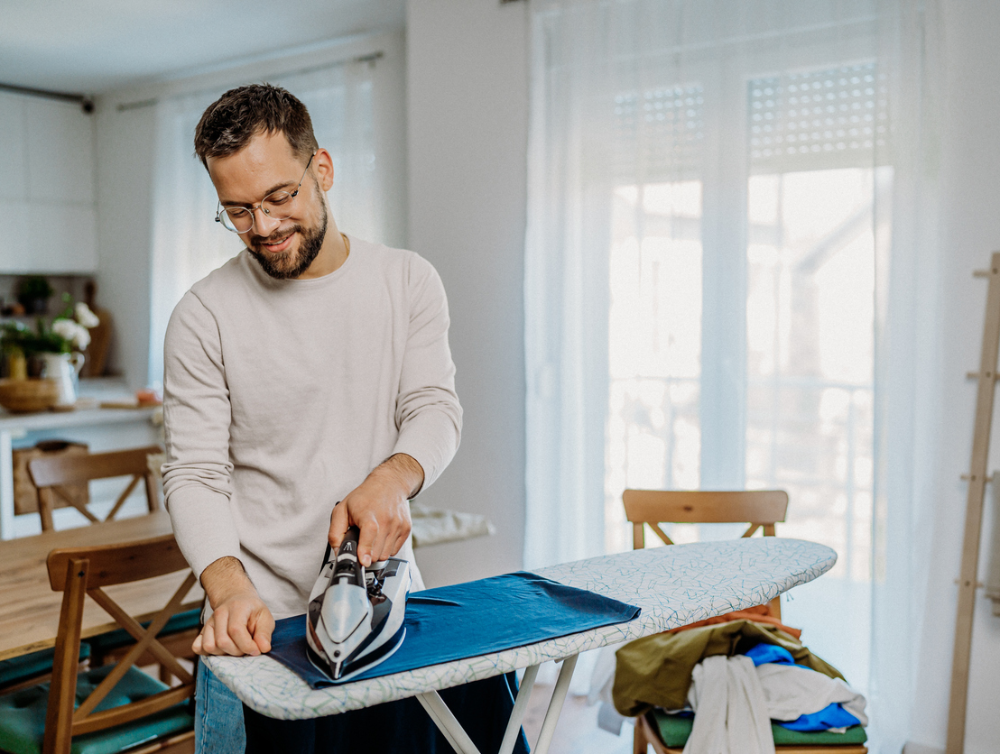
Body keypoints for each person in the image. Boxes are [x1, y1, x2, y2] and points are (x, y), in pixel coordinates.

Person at [161, 83, 462, 752]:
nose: (263, 228)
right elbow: (194, 473)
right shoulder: (203, 315)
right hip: (258, 627)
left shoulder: (407, 282)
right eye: (237, 211)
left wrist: (391, 478)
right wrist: (228, 589)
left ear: (321, 169)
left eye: (279, 198)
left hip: (382, 611)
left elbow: (433, 408)